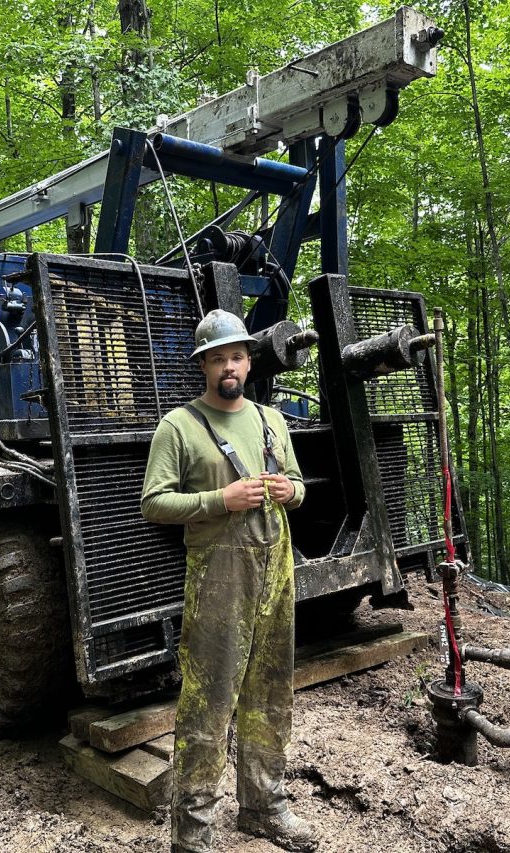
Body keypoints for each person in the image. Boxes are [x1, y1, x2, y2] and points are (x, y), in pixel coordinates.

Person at [141, 309, 317, 853]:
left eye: (236, 356)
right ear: (204, 366)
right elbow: (153, 503)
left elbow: (299, 484)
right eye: (217, 358)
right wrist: (220, 499)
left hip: (277, 573)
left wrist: (292, 491)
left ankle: (263, 807)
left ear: (248, 360)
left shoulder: (271, 420)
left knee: (271, 693)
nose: (229, 366)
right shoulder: (179, 426)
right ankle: (192, 834)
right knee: (208, 704)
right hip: (218, 577)